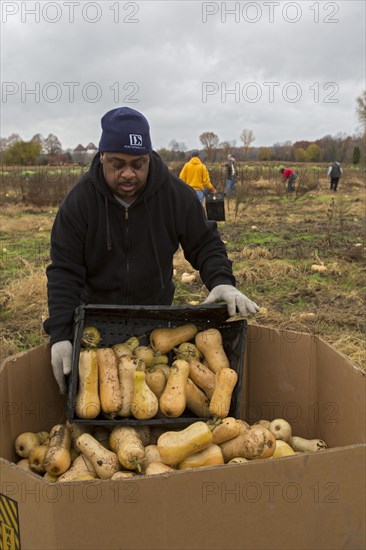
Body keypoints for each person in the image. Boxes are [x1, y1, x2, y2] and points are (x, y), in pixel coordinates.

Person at [44, 107, 260, 394]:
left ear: (149, 158)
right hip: (96, 319)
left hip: (157, 318)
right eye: (117, 164)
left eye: (138, 164)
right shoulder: (80, 203)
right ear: (102, 157)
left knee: (155, 392)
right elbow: (65, 270)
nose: (128, 174)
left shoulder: (174, 195)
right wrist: (60, 333)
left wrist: (221, 282)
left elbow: (205, 242)